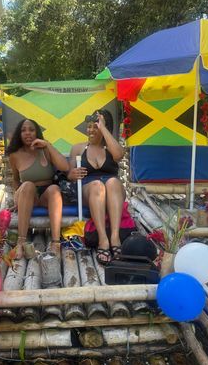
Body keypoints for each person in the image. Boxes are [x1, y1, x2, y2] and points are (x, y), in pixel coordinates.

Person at [67, 109, 125, 264]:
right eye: (89, 126)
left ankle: (115, 237)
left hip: (112, 190)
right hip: (89, 188)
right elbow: (68, 175)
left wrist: (103, 128)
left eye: (96, 126)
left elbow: (119, 155)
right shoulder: (78, 148)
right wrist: (72, 174)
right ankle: (103, 240)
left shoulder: (111, 148)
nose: (91, 130)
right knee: (98, 185)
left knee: (112, 182)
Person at [7, 118, 69, 259]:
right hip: (28, 194)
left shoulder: (45, 149)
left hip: (46, 194)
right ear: (19, 134)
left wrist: (47, 145)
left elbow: (65, 167)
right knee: (27, 185)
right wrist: (18, 197)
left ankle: (55, 243)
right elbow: (16, 179)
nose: (27, 133)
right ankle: (21, 242)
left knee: (54, 189)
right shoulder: (14, 155)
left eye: (31, 130)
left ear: (37, 132)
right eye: (23, 130)